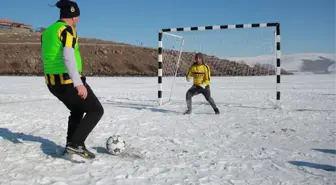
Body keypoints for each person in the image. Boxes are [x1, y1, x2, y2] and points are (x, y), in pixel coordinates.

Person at [41, 0, 104, 159]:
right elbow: (68, 55)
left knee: (77, 110)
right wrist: (78, 84)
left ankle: (71, 145)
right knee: (96, 110)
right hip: (68, 82)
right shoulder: (67, 30)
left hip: (52, 84)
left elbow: (47, 57)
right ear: (74, 17)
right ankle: (76, 143)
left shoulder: (48, 31)